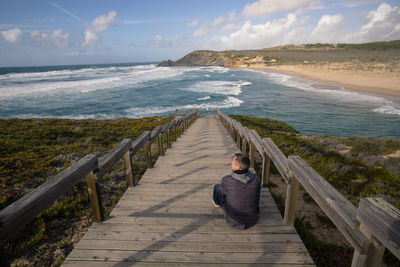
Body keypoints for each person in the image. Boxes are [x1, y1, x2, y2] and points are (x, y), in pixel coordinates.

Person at [212, 153, 261, 229]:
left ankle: (216, 202)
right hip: (252, 219)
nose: (231, 163)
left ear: (238, 167)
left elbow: (222, 193)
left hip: (233, 220)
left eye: (232, 162)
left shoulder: (227, 180)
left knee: (217, 187)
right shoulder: (256, 179)